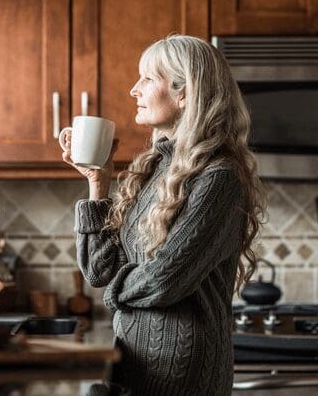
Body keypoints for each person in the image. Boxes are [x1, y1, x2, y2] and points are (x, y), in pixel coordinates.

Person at [60, 34, 264, 396]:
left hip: (182, 374)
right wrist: (98, 181)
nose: (133, 90)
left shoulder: (219, 177)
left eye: (148, 79)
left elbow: (166, 279)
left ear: (184, 93)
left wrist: (115, 295)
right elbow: (97, 271)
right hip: (135, 363)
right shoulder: (157, 168)